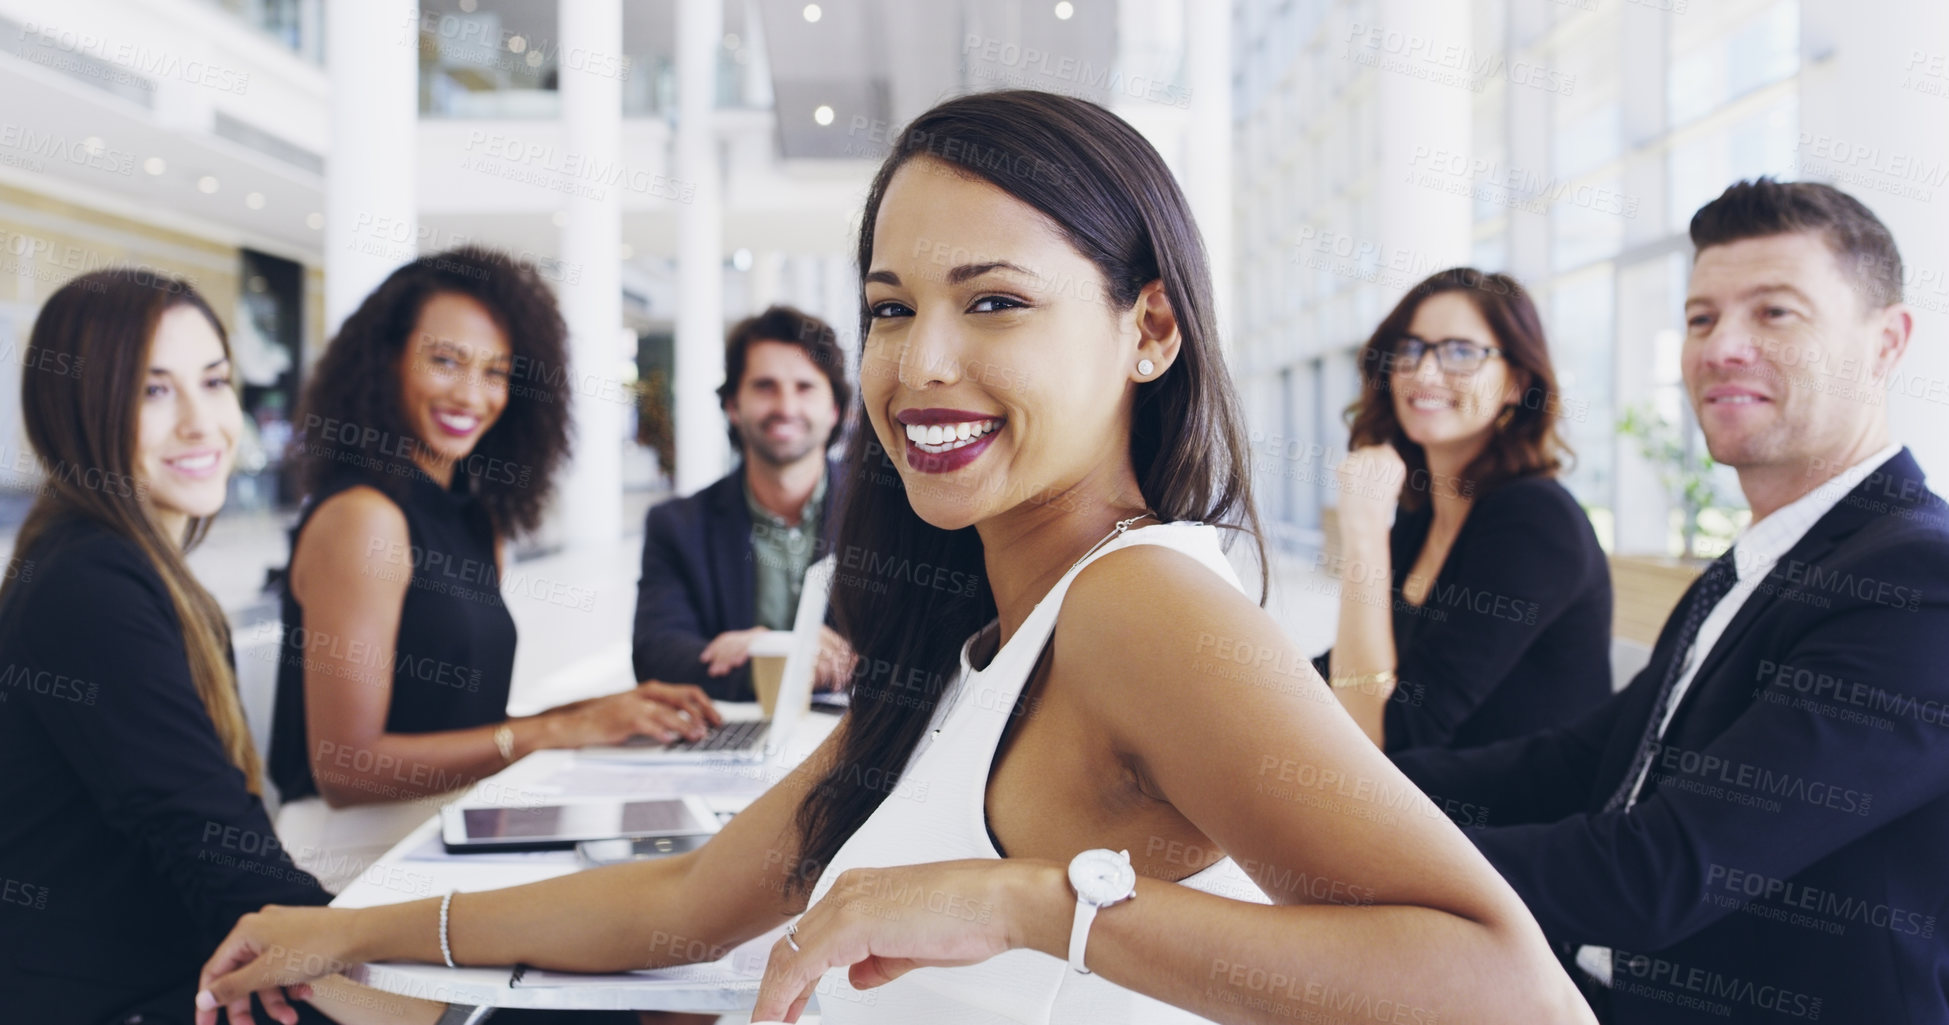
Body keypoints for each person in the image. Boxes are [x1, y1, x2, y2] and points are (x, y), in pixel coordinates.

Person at [196, 90, 1592, 1025]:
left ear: (1149, 332)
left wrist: (1033, 902)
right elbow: (689, 898)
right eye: (889, 306)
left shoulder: (1143, 604)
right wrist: (359, 928)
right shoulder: (984, 630)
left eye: (994, 303)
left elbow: (1504, 989)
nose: (920, 364)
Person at [1389, 179, 1949, 1023]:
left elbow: (1662, 870)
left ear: (1885, 343)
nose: (1722, 346)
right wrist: (1330, 789)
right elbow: (1584, 760)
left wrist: (1342, 850)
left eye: (1774, 313)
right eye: (1698, 318)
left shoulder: (1914, 582)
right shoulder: (1756, 560)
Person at [0, 270, 440, 1025]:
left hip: (192, 972)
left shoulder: (130, 567)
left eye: (214, 381)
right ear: (75, 408)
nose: (203, 423)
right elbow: (207, 838)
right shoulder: (88, 582)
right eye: (153, 391)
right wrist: (382, 962)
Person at [267, 247, 721, 892]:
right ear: (387, 361)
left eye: (496, 372)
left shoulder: (477, 520)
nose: (471, 394)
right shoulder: (364, 518)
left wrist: (612, 708)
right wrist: (558, 730)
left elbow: (463, 724)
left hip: (446, 823)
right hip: (348, 858)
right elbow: (347, 769)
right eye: (445, 360)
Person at [1314, 268, 1612, 751]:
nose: (1425, 373)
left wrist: (1365, 531)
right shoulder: (1424, 511)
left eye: (1461, 353)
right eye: (1409, 349)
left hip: (1501, 822)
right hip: (1417, 803)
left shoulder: (1535, 523)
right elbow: (1345, 670)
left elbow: (1380, 736)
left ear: (1517, 382)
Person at [632, 304, 857, 702]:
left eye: (804, 388)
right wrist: (788, 659)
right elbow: (657, 656)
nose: (786, 407)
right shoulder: (677, 525)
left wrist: (776, 656)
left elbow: (921, 652)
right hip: (729, 741)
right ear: (733, 405)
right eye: (764, 386)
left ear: (834, 408)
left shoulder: (889, 515)